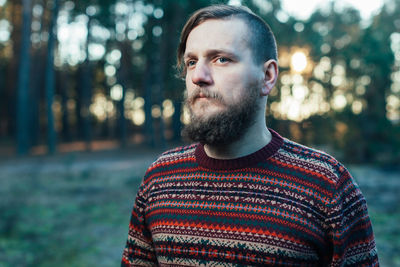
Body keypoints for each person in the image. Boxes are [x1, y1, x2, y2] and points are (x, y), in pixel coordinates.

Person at [121, 4, 378, 266]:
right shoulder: (160, 178)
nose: (198, 76)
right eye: (191, 62)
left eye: (221, 59)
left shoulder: (326, 185)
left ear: (267, 76)